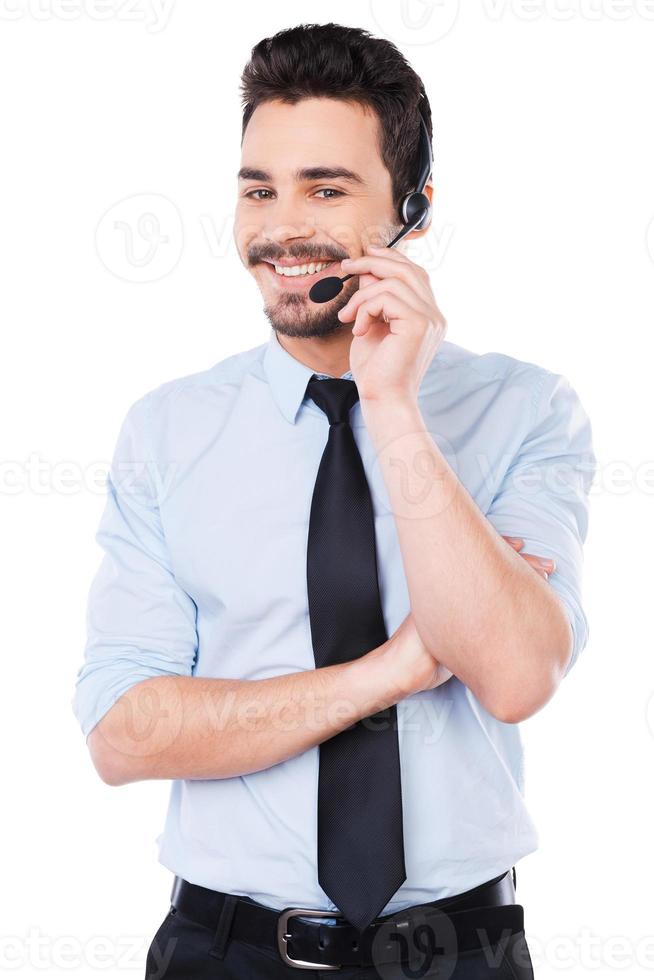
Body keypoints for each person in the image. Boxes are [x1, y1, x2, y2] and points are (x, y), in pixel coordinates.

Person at [71, 22, 595, 979]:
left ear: (414, 209)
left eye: (326, 188)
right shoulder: (167, 431)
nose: (281, 228)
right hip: (224, 951)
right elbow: (123, 731)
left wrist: (392, 402)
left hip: (458, 952)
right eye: (258, 190)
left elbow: (517, 675)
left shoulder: (525, 409)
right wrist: (394, 670)